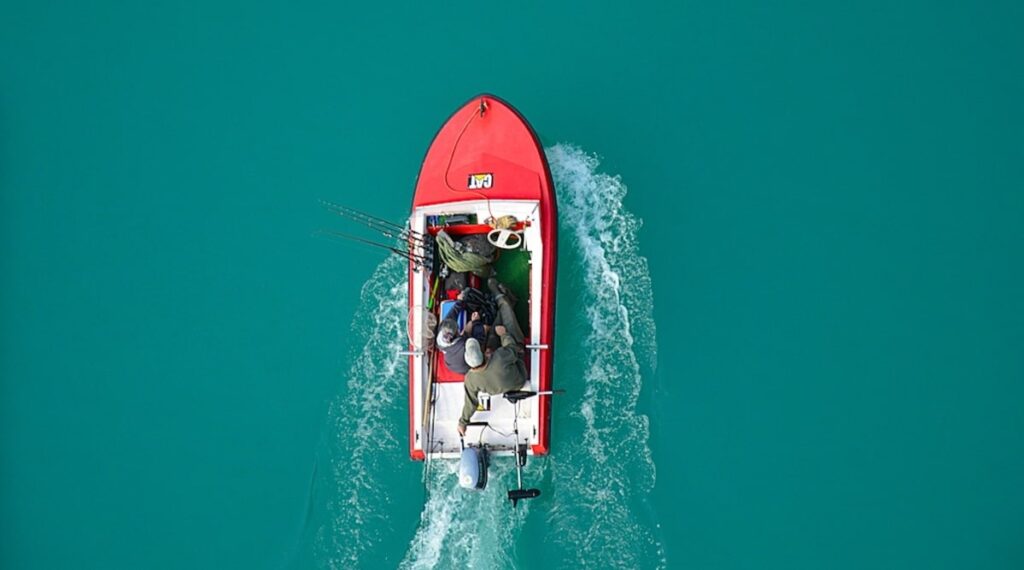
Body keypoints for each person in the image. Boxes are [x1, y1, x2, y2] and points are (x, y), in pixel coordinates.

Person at [456, 278, 528, 435]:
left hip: (501, 383)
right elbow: (513, 349)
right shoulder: (500, 357)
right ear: (483, 354)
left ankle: (506, 301)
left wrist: (463, 422)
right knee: (505, 316)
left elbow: (471, 403)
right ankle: (502, 297)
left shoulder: (470, 379)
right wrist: (504, 336)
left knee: (497, 323)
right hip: (519, 373)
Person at [436, 289, 488, 375]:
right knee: (484, 328)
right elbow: (478, 339)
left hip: (451, 364)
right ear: (457, 333)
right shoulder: (464, 343)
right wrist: (476, 322)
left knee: (470, 325)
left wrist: (459, 301)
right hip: (467, 366)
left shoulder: (442, 333)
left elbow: (452, 314)